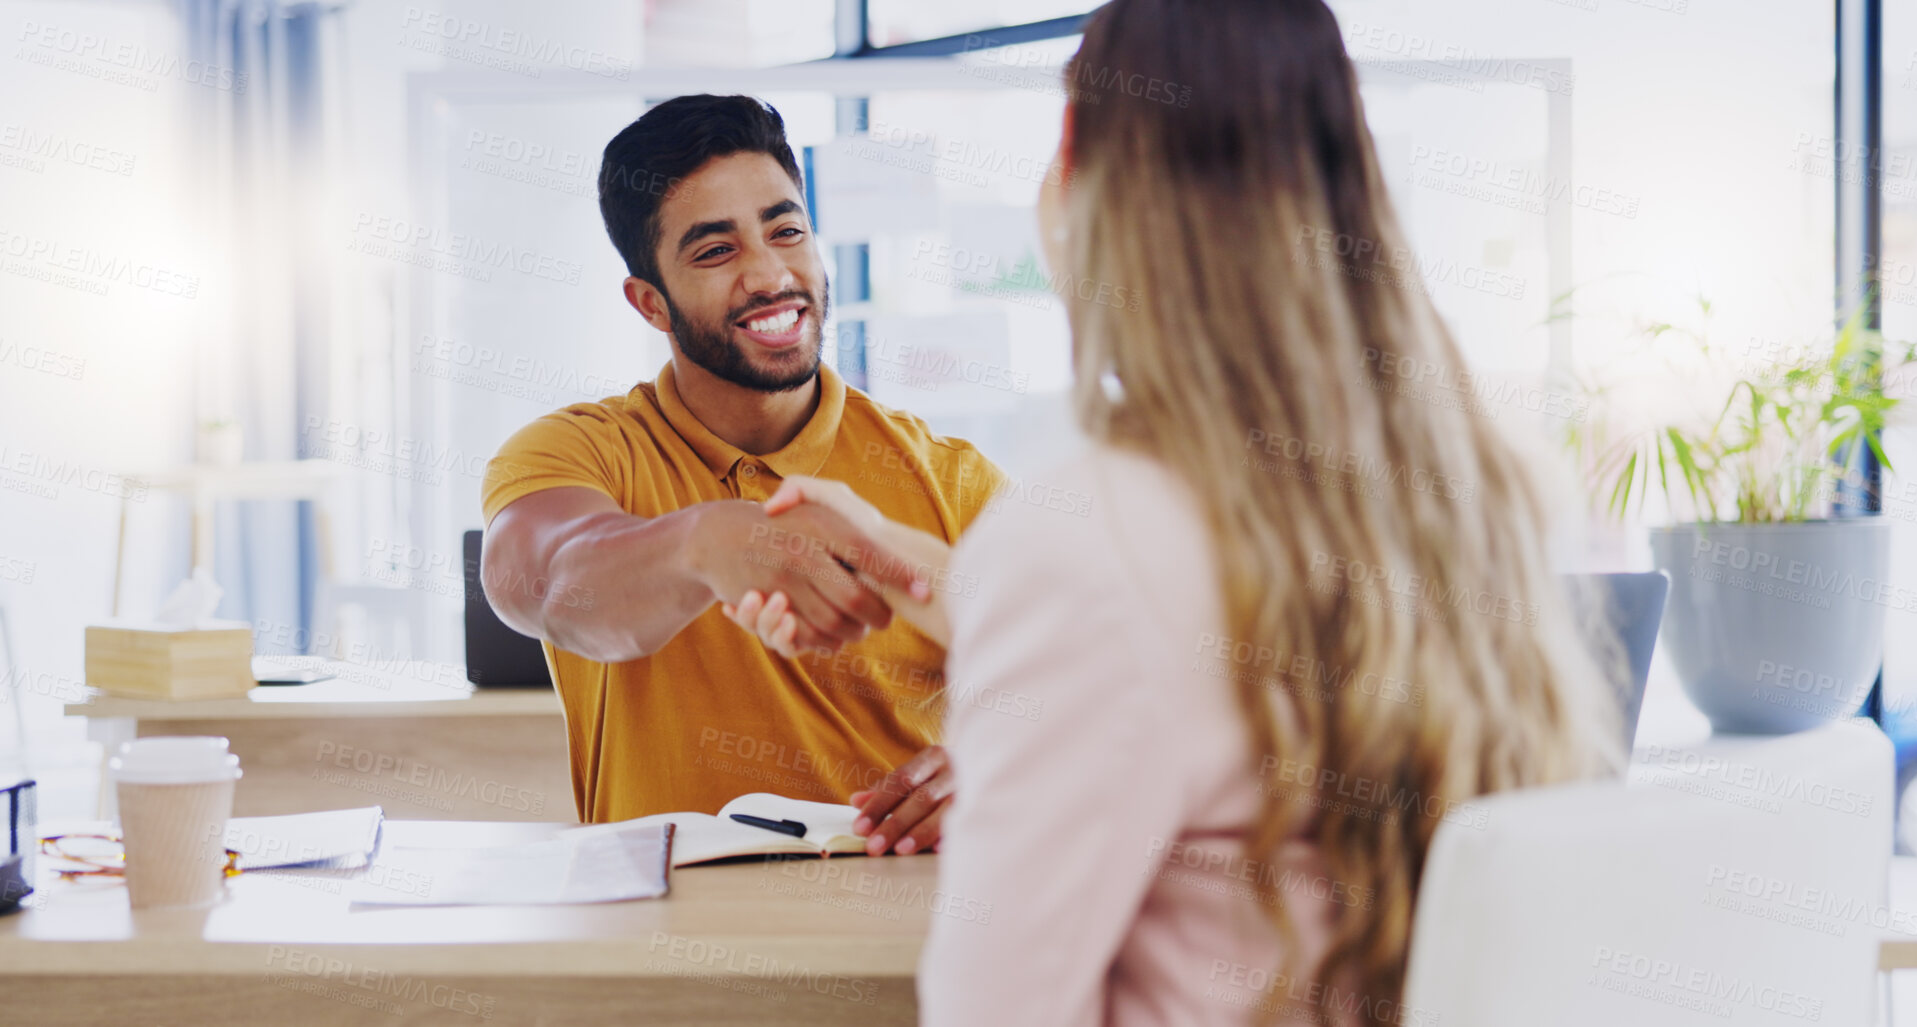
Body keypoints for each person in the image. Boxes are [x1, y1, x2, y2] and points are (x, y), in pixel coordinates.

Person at [724, 0, 1625, 1022]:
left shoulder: (1089, 536)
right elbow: (1187, 654)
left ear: (1077, 176)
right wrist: (898, 559)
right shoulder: (1466, 495)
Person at [478, 94, 1003, 857]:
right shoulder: (578, 449)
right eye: (715, 251)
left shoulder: (951, 479)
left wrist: (999, 767)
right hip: (659, 942)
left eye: (786, 231)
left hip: (901, 939)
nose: (769, 274)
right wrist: (706, 542)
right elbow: (546, 585)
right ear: (650, 303)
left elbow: (1099, 680)